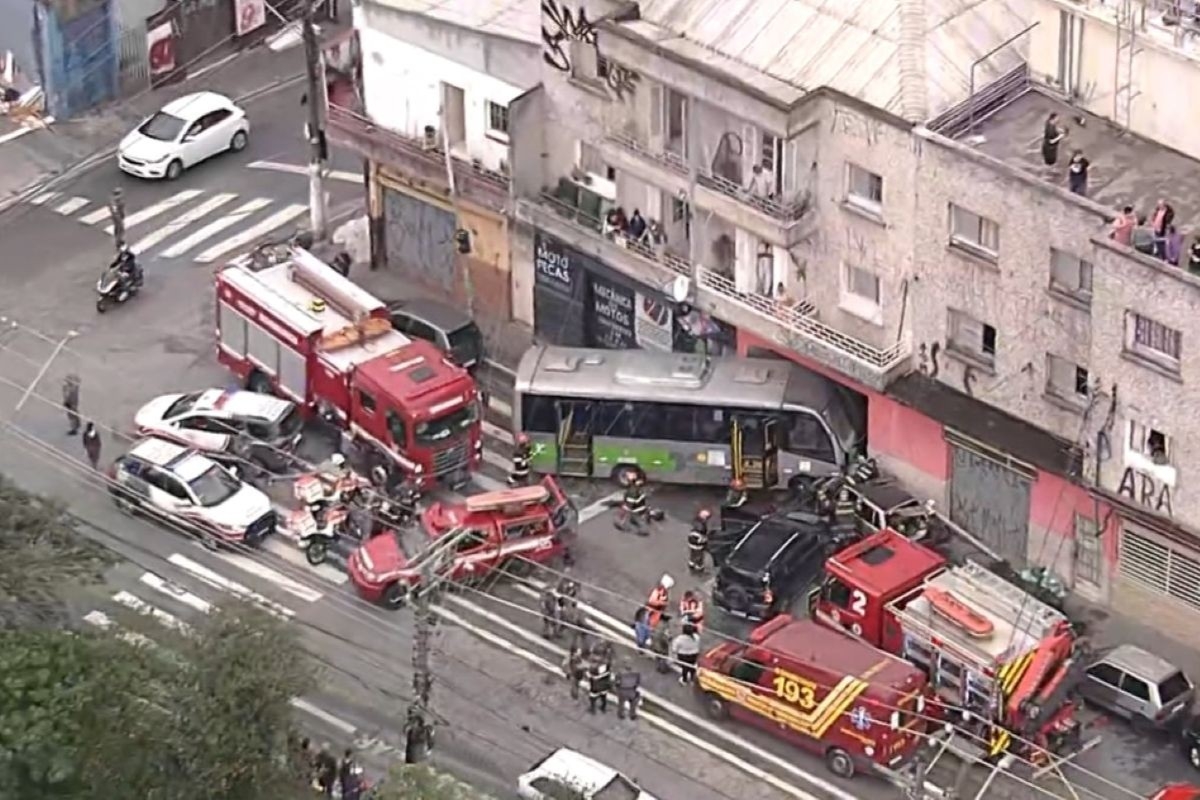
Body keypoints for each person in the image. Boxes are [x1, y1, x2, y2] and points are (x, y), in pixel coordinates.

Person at [687, 508, 711, 574]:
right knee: (699, 556)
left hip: (691, 541)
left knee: (693, 554)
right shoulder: (702, 526)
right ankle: (699, 567)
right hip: (698, 544)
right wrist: (705, 542)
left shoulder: (696, 521)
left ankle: (691, 564)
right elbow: (702, 536)